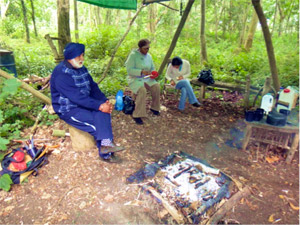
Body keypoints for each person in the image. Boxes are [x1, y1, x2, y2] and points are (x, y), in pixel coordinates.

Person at [50, 42, 124, 163]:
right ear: (70, 57)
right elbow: (77, 97)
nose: (82, 59)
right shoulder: (61, 74)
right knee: (97, 126)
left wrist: (103, 100)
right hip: (69, 109)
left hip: (84, 103)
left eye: (82, 55)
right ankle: (106, 151)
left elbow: (93, 87)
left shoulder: (81, 68)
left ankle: (106, 147)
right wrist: (99, 106)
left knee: (103, 113)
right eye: (79, 56)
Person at [125, 39, 161, 125]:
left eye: (148, 48)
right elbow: (129, 70)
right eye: (145, 48)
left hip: (147, 78)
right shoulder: (133, 55)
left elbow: (152, 68)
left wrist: (153, 73)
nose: (147, 50)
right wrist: (141, 71)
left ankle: (155, 108)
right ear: (140, 48)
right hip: (135, 78)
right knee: (142, 90)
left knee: (156, 86)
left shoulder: (149, 56)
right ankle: (137, 114)